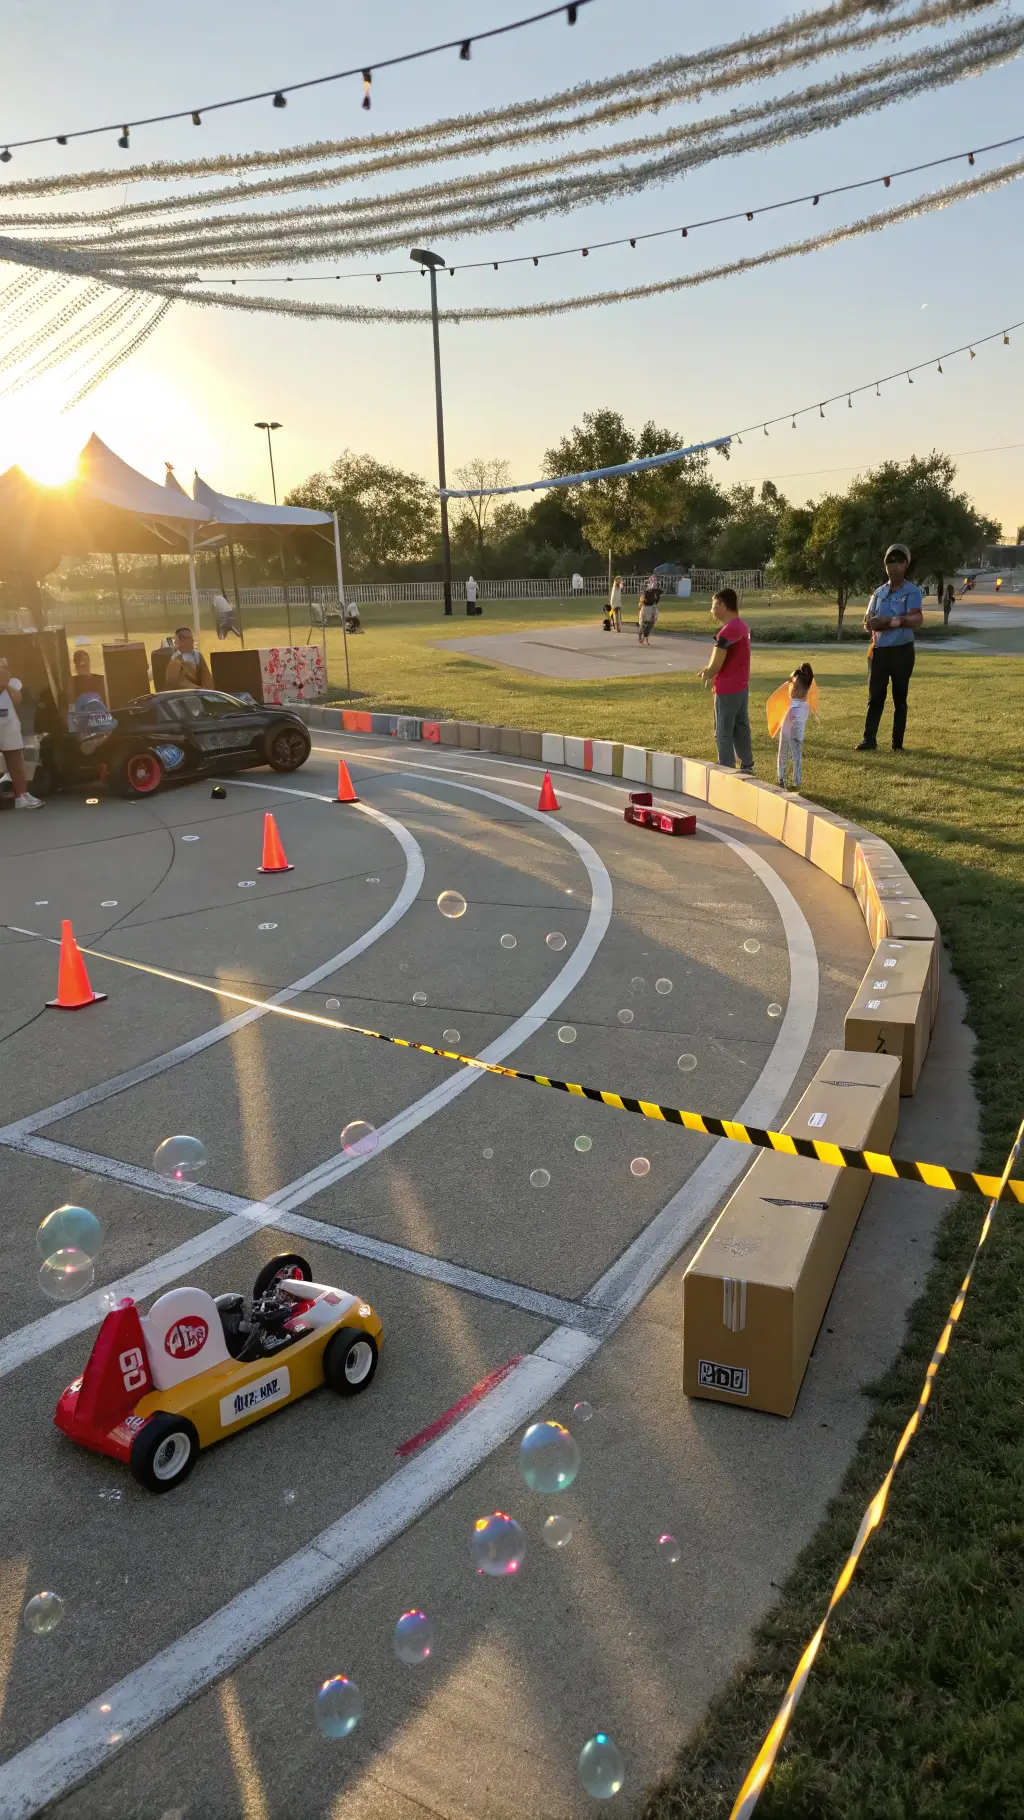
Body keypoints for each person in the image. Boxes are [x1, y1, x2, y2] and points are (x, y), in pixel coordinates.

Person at [857, 542, 923, 753]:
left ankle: (897, 743)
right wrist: (885, 621)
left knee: (899, 697)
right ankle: (869, 739)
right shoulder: (878, 593)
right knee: (875, 696)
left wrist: (887, 621)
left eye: (898, 561)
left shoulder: (912, 591)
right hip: (881, 651)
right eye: (889, 561)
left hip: (902, 650)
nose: (893, 566)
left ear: (906, 565)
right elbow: (868, 621)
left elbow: (915, 619)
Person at [699, 587, 754, 772]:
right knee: (741, 727)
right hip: (741, 686)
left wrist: (707, 673)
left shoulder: (727, 632)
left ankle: (727, 769)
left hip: (727, 689)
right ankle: (747, 765)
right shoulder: (742, 626)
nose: (712, 609)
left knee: (723, 731)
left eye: (714, 605)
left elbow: (715, 665)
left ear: (723, 605)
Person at [0, 656, 43, 808]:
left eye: (5, 666)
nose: (3, 669)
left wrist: (5, 684)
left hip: (9, 724)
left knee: (16, 762)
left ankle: (22, 795)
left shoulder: (14, 682)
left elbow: (16, 699)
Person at [777, 663, 814, 790]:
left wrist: (798, 736)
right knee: (783, 754)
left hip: (795, 736)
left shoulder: (801, 706)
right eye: (792, 685)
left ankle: (795, 780)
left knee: (795, 756)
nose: (792, 689)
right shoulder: (794, 703)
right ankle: (781, 778)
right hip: (785, 732)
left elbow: (799, 722)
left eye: (796, 687)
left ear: (805, 690)